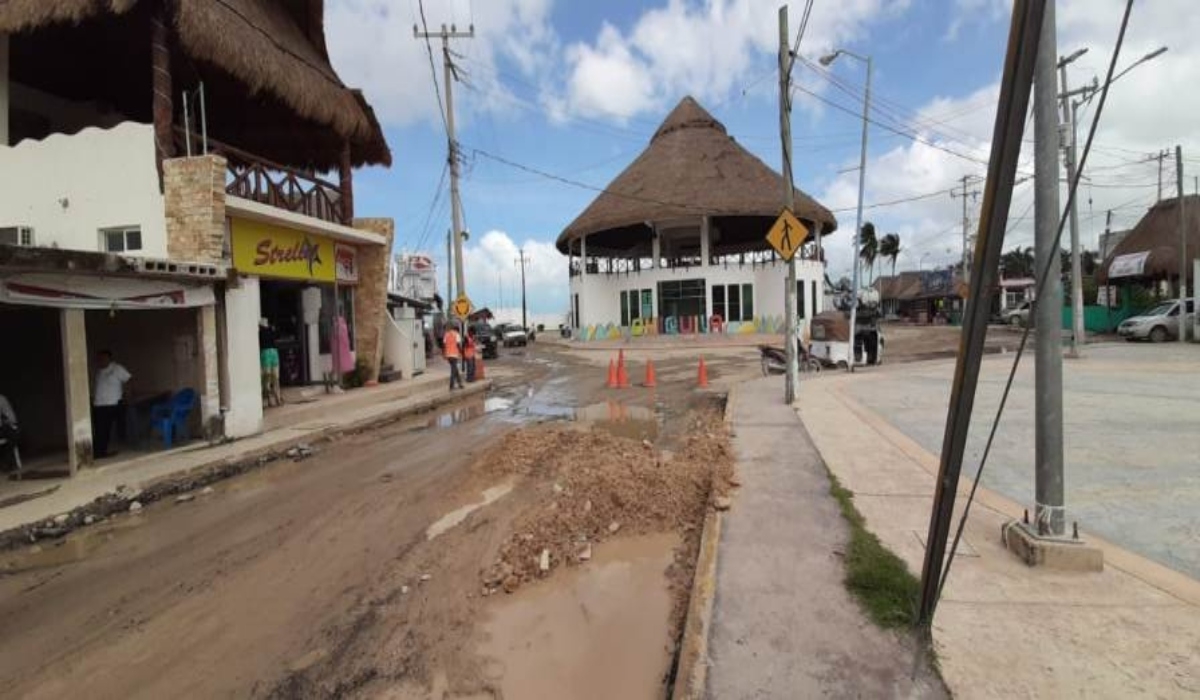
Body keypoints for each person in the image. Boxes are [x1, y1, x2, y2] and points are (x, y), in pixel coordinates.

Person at [92, 350, 131, 459]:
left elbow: (128, 380)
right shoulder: (99, 371)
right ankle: (98, 452)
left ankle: (101, 452)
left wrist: (127, 397)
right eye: (99, 358)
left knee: (106, 429)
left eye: (103, 358)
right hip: (98, 405)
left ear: (109, 359)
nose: (101, 360)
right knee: (99, 429)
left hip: (112, 404)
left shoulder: (117, 368)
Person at [259, 318, 283, 407]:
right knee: (273, 377)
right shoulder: (269, 331)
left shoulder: (262, 332)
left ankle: (272, 399)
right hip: (271, 352)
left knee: (269, 377)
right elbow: (278, 335)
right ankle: (275, 398)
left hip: (267, 353)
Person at [0, 394, 20, 475]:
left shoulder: (1, 399)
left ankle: (7, 463)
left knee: (12, 433)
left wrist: (5, 422)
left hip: (3, 429)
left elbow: (12, 418)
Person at [442, 322, 464, 390]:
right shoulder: (456, 334)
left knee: (455, 369)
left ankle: (460, 384)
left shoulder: (446, 334)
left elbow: (444, 345)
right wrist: (462, 352)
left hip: (448, 355)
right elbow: (458, 345)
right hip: (454, 355)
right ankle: (451, 386)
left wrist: (444, 354)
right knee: (453, 371)